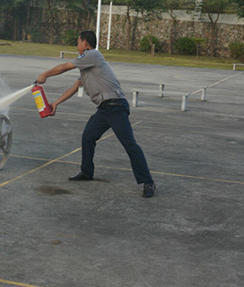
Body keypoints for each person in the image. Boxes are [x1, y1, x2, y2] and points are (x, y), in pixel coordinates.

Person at [36, 31, 156, 198]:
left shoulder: (92, 55)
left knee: (129, 144)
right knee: (88, 137)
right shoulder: (86, 67)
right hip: (104, 109)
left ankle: (148, 182)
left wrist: (45, 74)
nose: (76, 46)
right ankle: (87, 172)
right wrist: (56, 103)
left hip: (116, 107)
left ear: (85, 43)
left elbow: (64, 67)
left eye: (78, 42)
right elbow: (74, 87)